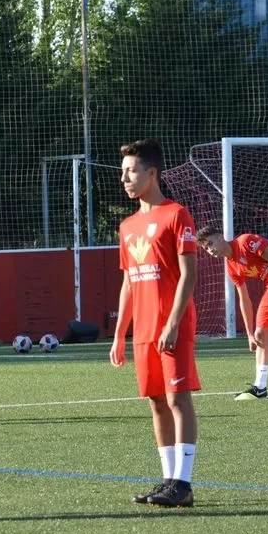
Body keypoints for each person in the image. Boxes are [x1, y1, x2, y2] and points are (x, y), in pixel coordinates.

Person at [109, 139, 200, 508]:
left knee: (178, 398)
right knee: (157, 402)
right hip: (144, 331)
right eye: (123, 172)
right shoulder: (127, 226)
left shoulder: (177, 215)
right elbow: (129, 282)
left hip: (172, 325)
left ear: (152, 173)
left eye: (131, 171)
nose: (125, 178)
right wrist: (120, 334)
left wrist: (173, 322)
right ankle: (168, 481)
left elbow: (188, 274)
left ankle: (184, 483)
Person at [196, 225, 268, 399]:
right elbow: (244, 300)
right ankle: (260, 387)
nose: (210, 250)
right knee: (260, 335)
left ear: (220, 236)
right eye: (206, 248)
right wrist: (249, 334)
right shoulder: (231, 267)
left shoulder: (246, 242)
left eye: (210, 243)